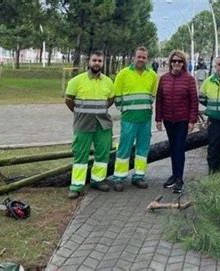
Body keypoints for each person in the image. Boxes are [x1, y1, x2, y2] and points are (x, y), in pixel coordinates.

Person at [65, 51, 114, 199]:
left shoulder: (108, 82)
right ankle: (77, 185)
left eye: (100, 60)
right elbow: (69, 99)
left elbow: (111, 100)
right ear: (89, 62)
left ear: (102, 63)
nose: (97, 63)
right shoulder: (76, 81)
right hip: (83, 123)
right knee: (80, 154)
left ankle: (98, 180)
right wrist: (80, 112)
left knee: (103, 152)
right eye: (95, 60)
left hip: (103, 124)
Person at [109, 46, 158, 191]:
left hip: (145, 119)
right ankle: (119, 177)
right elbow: (117, 97)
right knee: (124, 148)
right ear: (134, 57)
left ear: (147, 58)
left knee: (143, 149)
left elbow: (152, 96)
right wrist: (125, 110)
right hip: (129, 119)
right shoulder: (123, 74)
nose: (141, 60)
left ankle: (139, 176)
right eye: (139, 57)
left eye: (144, 57)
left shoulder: (152, 75)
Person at [155, 50, 198, 193]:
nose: (176, 63)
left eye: (179, 61)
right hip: (168, 119)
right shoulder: (164, 79)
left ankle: (179, 179)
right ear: (170, 63)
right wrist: (158, 118)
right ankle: (174, 175)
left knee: (179, 148)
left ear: (183, 63)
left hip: (182, 120)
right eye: (174, 61)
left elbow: (194, 101)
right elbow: (159, 100)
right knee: (173, 148)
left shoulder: (189, 79)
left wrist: (192, 120)